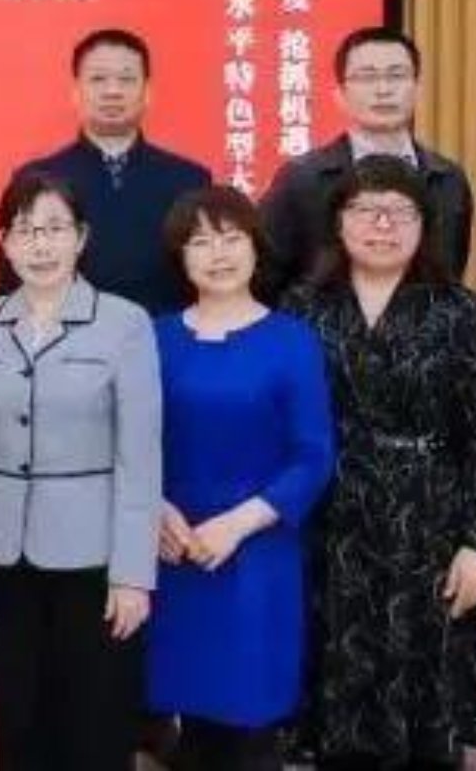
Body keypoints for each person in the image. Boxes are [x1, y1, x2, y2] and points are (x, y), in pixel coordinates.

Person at [284, 156, 476, 771]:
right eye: (365, 210)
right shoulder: (303, 308)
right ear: (338, 222)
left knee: (427, 707)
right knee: (338, 697)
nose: (382, 225)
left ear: (424, 225)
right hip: (331, 523)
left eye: (400, 212)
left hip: (430, 523)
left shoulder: (460, 311)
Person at [0, 171, 161, 771]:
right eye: (24, 231)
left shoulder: (124, 323)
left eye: (53, 229)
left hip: (94, 559)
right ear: (4, 242)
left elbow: (140, 457)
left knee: (94, 722)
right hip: (0, 558)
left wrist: (133, 574)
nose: (40, 245)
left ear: (81, 237)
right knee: (17, 718)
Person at [143, 186, 335, 771]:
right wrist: (154, 509)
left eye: (231, 238)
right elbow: (132, 444)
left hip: (259, 554)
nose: (218, 254)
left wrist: (237, 525)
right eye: (200, 242)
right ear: (180, 258)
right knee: (185, 732)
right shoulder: (153, 338)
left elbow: (313, 456)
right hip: (172, 553)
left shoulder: (292, 340)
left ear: (256, 247)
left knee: (251, 727)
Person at [0, 28, 211, 311]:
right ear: (76, 92)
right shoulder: (36, 179)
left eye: (126, 79)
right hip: (65, 335)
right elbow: (10, 286)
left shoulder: (189, 180)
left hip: (163, 334)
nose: (113, 91)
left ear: (147, 92)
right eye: (98, 79)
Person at [258, 28, 474, 299]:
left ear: (418, 89)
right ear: (340, 94)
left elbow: (450, 276)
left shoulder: (448, 179)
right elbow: (267, 277)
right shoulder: (302, 179)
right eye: (367, 77)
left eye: (396, 75)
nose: (383, 90)